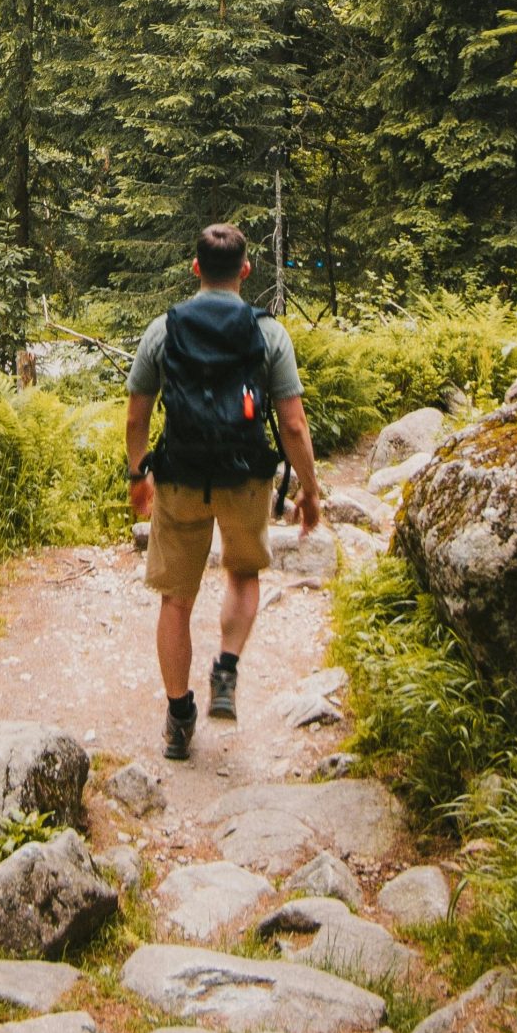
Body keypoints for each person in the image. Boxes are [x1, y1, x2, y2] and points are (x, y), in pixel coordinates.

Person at [125, 220, 323, 760]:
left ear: (195, 269)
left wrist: (138, 475)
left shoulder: (163, 331)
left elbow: (137, 414)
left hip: (182, 477)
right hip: (244, 477)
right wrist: (310, 491)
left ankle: (179, 715)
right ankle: (227, 668)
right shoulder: (268, 333)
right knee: (242, 572)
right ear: (245, 270)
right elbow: (294, 426)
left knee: (176, 598)